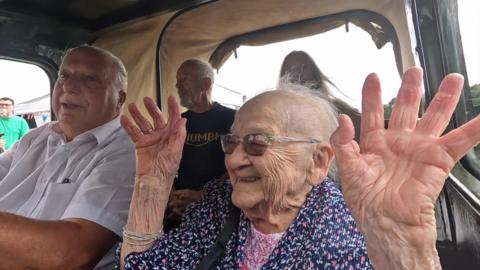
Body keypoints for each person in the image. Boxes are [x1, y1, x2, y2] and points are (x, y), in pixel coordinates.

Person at [118, 67, 479, 269]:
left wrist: (403, 255)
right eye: (231, 141)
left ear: (318, 162)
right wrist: (153, 184)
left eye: (258, 141)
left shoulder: (348, 231)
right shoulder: (217, 202)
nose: (234, 158)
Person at [0, 45, 136, 269]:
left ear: (119, 99)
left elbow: (70, 256)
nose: (69, 86)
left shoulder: (127, 153)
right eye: (64, 75)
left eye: (90, 78)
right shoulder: (36, 137)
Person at [166, 59, 235, 230]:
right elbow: (166, 163)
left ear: (206, 83)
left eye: (184, 79)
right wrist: (174, 197)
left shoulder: (233, 118)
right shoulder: (177, 122)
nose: (177, 85)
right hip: (179, 210)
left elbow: (238, 167)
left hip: (219, 210)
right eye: (177, 80)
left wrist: (203, 196)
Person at [279, 50, 362, 141]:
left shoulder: (339, 109)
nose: (298, 75)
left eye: (304, 68)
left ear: (314, 74)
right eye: (290, 70)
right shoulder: (277, 115)